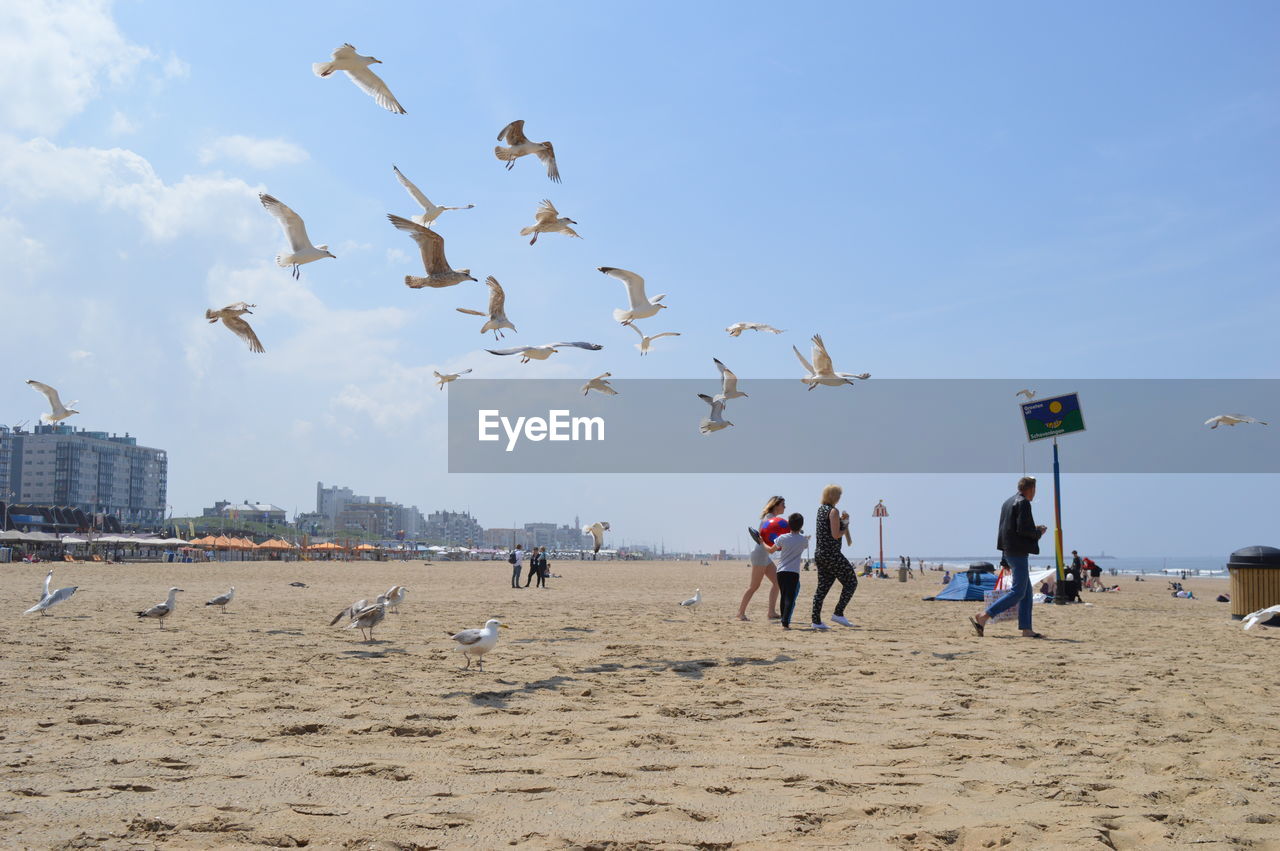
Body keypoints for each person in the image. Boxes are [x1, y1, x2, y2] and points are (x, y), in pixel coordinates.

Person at [970, 476, 1048, 639]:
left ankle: (1027, 629)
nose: (1035, 494)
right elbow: (1022, 530)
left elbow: (1006, 530)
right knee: (1018, 592)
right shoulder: (1023, 503)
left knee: (1026, 592)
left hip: (1010, 551)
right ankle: (984, 616)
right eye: (1035, 490)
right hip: (1017, 552)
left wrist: (1004, 557)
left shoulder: (1007, 502)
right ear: (1031, 489)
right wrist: (1038, 532)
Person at [810, 484, 858, 630]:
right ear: (834, 496)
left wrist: (841, 523)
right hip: (832, 554)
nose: (839, 498)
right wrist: (846, 523)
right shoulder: (833, 511)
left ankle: (816, 621)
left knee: (822, 588)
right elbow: (836, 534)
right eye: (839, 495)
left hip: (820, 554)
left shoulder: (821, 510)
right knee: (851, 582)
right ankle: (838, 613)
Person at [738, 496, 783, 621]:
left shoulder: (772, 519)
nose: (785, 507)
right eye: (783, 504)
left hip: (765, 556)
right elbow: (770, 539)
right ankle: (740, 613)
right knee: (754, 586)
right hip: (759, 555)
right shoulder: (769, 519)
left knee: (777, 582)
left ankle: (771, 612)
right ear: (776, 505)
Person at [766, 512, 808, 629]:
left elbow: (770, 550)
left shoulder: (782, 538)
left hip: (780, 572)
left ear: (788, 524)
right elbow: (804, 544)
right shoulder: (803, 540)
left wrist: (761, 542)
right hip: (793, 572)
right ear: (801, 526)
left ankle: (784, 620)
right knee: (789, 597)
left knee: (784, 596)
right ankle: (785, 622)